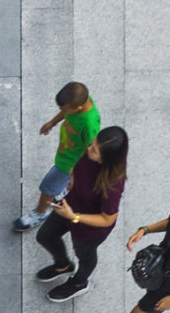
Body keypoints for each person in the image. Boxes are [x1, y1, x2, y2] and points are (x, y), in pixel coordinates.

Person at [35, 124, 128, 302]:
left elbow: (108, 219)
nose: (88, 149)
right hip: (70, 205)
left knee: (84, 255)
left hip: (89, 228)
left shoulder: (112, 183)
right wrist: (72, 176)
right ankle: (63, 265)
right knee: (45, 236)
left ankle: (79, 283)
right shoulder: (90, 153)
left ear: (106, 160)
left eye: (94, 150)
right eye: (92, 144)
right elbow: (78, 162)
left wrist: (74, 217)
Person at [15, 81, 101, 231]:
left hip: (68, 164)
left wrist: (75, 173)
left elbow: (91, 152)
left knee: (48, 188)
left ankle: (40, 213)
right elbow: (66, 112)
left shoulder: (89, 124)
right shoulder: (80, 104)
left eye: (64, 109)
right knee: (58, 185)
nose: (62, 111)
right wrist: (52, 122)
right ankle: (67, 188)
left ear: (78, 108)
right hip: (65, 154)